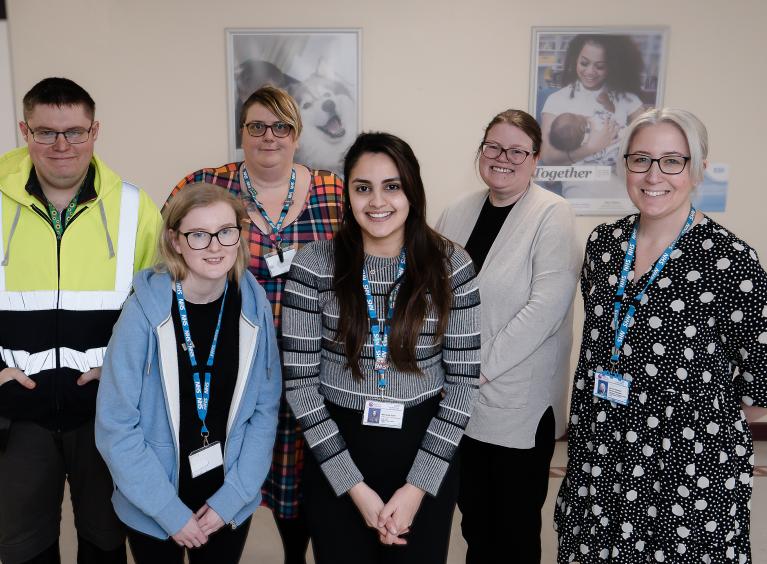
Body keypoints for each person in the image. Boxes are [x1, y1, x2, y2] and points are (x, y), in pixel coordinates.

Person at [555, 108, 767, 563]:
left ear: (698, 169)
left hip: (687, 473)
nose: (654, 175)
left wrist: (689, 429)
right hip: (603, 455)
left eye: (673, 160)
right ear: (625, 165)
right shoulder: (604, 245)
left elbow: (759, 386)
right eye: (641, 159)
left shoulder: (732, 262)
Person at [283, 132, 481, 564]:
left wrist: (415, 490)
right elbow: (300, 386)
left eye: (392, 186)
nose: (378, 201)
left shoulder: (452, 266)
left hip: (424, 451)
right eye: (362, 187)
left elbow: (464, 385)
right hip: (338, 450)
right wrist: (355, 488)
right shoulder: (313, 265)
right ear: (347, 194)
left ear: (412, 190)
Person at [166, 85, 343, 564]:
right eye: (257, 126)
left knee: (304, 479)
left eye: (282, 126)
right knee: (222, 474)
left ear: (297, 133)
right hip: (228, 370)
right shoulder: (204, 184)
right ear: (241, 131)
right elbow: (167, 265)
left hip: (315, 367)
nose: (270, 136)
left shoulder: (333, 192)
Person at [0, 77, 161, 564]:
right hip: (15, 415)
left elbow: (161, 315)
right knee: (21, 550)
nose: (62, 145)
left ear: (96, 131)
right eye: (46, 132)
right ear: (25, 130)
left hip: (105, 415)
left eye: (75, 131)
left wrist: (120, 374)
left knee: (105, 543)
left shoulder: (137, 208)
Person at [95, 183, 282, 563]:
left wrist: (231, 500)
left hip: (226, 503)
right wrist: (169, 512)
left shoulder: (255, 307)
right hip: (152, 504)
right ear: (175, 241)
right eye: (198, 235)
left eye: (226, 232)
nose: (215, 246)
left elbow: (265, 412)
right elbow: (116, 425)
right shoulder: (141, 314)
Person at [436, 109, 579, 563]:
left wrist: (475, 367)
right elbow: (431, 292)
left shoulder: (552, 214)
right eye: (493, 147)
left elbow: (545, 310)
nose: (503, 158)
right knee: (476, 521)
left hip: (518, 404)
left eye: (517, 150)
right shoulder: (457, 211)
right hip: (460, 400)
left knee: (513, 530)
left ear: (535, 159)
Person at [540, 34, 646, 198]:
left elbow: (648, 137)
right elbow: (547, 156)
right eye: (584, 63)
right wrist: (592, 147)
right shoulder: (557, 100)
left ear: (611, 66)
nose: (590, 71)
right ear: (576, 59)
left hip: (621, 177)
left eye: (600, 66)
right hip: (582, 180)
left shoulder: (625, 98)